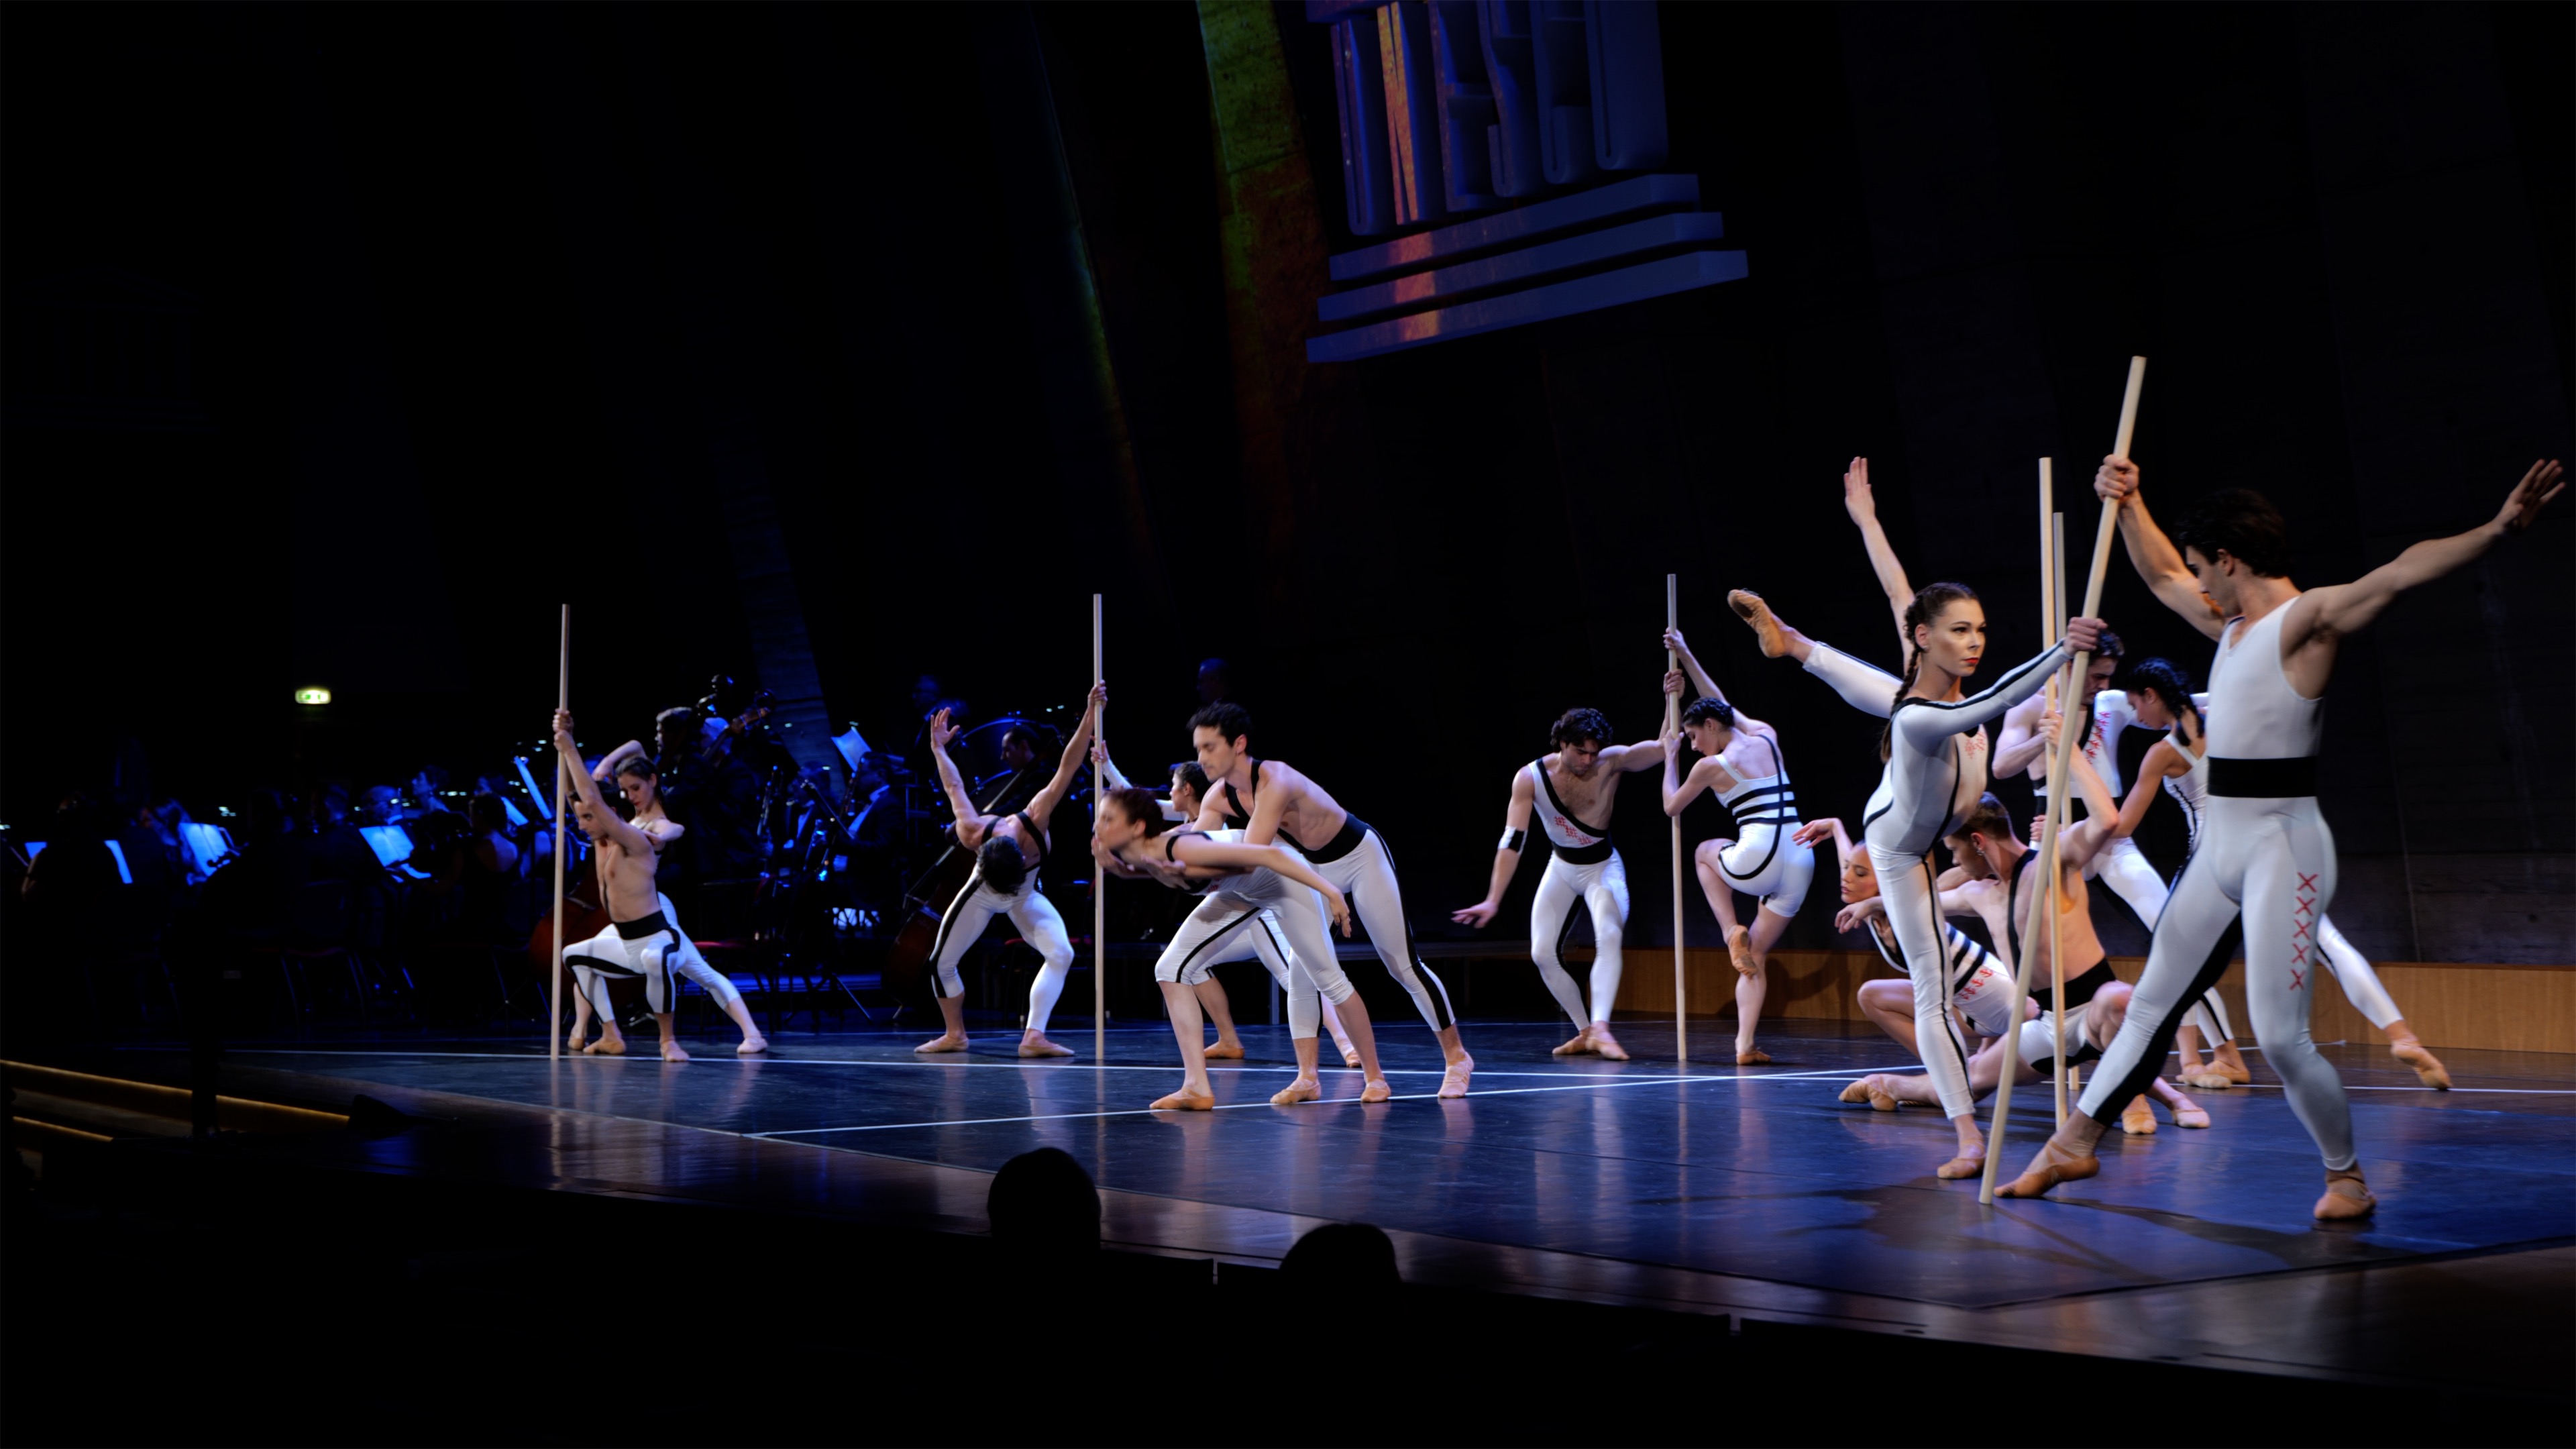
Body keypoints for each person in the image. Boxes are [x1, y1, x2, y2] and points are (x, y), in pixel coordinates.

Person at [2000, 456, 2561, 1218]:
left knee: (2281, 1034)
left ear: (2230, 560)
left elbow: (2397, 574)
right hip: (2221, 845)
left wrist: (2496, 530)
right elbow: (2164, 574)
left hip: (2282, 844)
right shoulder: (2228, 624)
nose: (2197, 581)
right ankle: (2072, 1145)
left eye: (2207, 567)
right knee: (2149, 1005)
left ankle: (2347, 1179)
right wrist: (2129, 505)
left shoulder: (2306, 621)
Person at [1729, 573, 2101, 1179]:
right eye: (1960, 631)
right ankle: (1967, 1138)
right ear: (1925, 638)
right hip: (1899, 848)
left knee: (1894, 692)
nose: (1976, 642)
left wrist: (1870, 521)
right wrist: (2062, 651)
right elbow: (1998, 700)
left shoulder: (1936, 701)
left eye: (1980, 630)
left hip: (1932, 830)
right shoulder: (1923, 720)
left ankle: (1792, 642)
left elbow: (1903, 597)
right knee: (1931, 988)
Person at [2110, 658, 2452, 1090]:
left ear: (2151, 696)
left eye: (2137, 705)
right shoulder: (2229, 723)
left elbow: (2120, 826)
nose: (2137, 717)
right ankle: (2401, 1035)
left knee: (2172, 959)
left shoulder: (2161, 753)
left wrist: (2067, 827)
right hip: (2271, 851)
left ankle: (2193, 1062)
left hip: (2211, 866)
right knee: (2329, 943)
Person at [1191, 703, 1474, 1097]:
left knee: (1402, 965)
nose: (1201, 758)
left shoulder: (1276, 779)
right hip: (1312, 869)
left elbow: (1249, 853)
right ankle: (1308, 1077)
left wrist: (1195, 868)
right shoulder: (1216, 798)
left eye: (1209, 747)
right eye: (1198, 748)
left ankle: (1457, 1057)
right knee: (1302, 966)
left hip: (1360, 857)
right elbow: (1196, 851)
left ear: (1238, 744)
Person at [1093, 785, 1375, 1110]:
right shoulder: (1143, 854)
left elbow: (1271, 855)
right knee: (1170, 968)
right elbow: (1183, 875)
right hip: (1241, 893)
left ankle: (1375, 1076)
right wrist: (1123, 873)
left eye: (1107, 818)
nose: (1098, 825)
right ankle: (1196, 1087)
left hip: (1286, 882)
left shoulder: (1181, 848)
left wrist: (1332, 893)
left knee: (1326, 977)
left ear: (1137, 827)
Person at [552, 711, 769, 1059]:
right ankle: (605, 1033)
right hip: (633, 920)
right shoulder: (621, 823)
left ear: (653, 780)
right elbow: (586, 795)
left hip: (655, 911)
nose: (630, 796)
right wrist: (575, 750)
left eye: (635, 788)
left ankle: (699, 1037)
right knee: (578, 956)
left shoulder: (650, 823)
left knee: (699, 971)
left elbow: (602, 804)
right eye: (625, 791)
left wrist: (570, 748)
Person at [1451, 707, 1664, 1061]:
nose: (1588, 759)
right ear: (1562, 744)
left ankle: (1602, 1028)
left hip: (1602, 868)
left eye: (1594, 752)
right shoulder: (1530, 778)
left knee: (1608, 934)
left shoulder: (1610, 762)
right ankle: (1585, 1031)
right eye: (1581, 752)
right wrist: (1493, 899)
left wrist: (1669, 698)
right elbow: (1513, 841)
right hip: (1562, 867)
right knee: (1542, 953)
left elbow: (1660, 749)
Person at [1658, 627, 1816, 1064]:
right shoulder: (1765, 733)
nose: (1692, 745)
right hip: (1802, 856)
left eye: (1692, 737)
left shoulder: (1711, 766)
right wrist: (1687, 654)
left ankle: (1729, 930)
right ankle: (1744, 1046)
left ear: (1710, 727)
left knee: (1704, 851)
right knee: (1758, 953)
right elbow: (1721, 699)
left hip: (1759, 855)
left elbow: (1672, 806)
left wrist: (1671, 760)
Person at [912, 686, 1096, 1058]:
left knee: (1061, 953)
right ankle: (955, 1034)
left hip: (1026, 894)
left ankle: (1034, 1036)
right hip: (980, 893)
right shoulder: (971, 830)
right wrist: (938, 748)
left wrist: (1092, 713)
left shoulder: (1036, 817)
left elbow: (1068, 765)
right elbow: (953, 785)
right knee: (939, 963)